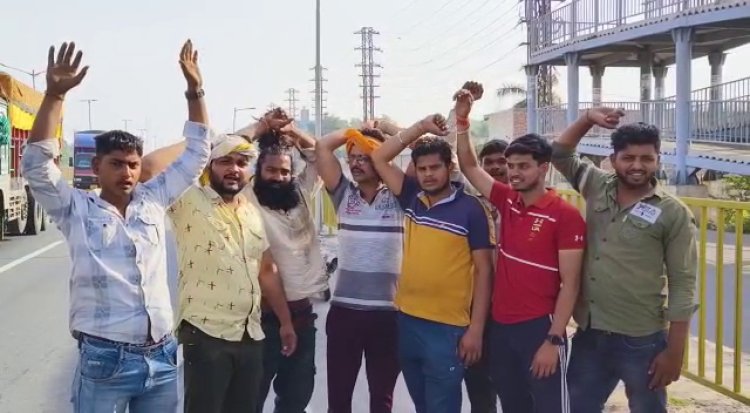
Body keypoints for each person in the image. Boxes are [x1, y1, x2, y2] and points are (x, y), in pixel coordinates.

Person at [22, 40, 211, 412]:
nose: (127, 172)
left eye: (133, 164)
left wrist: (195, 90)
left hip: (161, 357)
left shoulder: (154, 199)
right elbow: (36, 166)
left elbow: (197, 153)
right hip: (105, 359)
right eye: (117, 164)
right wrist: (55, 96)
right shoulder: (76, 208)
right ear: (97, 167)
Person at [139, 66, 296, 413]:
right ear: (209, 165)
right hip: (206, 335)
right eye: (224, 161)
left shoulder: (250, 212)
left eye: (241, 162)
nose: (233, 169)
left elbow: (266, 271)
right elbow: (149, 168)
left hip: (250, 335)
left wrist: (285, 323)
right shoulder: (188, 200)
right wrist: (209, 140)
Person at [551, 108, 698, 413]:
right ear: (613, 159)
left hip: (641, 339)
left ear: (658, 159)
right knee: (575, 407)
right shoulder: (596, 185)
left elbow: (683, 283)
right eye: (628, 158)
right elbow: (560, 153)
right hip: (590, 334)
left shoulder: (673, 213)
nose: (637, 166)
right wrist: (587, 119)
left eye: (646, 158)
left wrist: (675, 352)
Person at [454, 82, 585, 413]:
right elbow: (469, 166)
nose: (513, 173)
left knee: (549, 407)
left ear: (543, 168)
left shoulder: (565, 215)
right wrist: (462, 122)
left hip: (539, 328)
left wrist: (553, 340)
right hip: (501, 328)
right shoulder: (507, 200)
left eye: (522, 166)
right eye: (510, 166)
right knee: (513, 405)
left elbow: (571, 284)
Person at [370, 114, 495, 413]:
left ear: (449, 168)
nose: (428, 175)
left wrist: (476, 330)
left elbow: (484, 270)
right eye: (422, 169)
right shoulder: (411, 197)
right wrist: (421, 127)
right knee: (423, 405)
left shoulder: (471, 210)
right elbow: (379, 157)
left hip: (449, 328)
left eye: (435, 167)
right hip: (408, 321)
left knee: (442, 406)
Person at [242, 117, 328, 413]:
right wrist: (261, 128)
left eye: (284, 171)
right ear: (258, 170)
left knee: (296, 399)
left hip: (303, 317)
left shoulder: (300, 193)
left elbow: (319, 154)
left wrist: (292, 131)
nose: (278, 177)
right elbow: (223, 151)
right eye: (271, 170)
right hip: (261, 319)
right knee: (250, 399)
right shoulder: (246, 198)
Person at [315, 127, 402, 412]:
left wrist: (387, 129)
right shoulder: (344, 195)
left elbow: (423, 148)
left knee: (382, 400)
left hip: (388, 315)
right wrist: (355, 131)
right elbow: (323, 147)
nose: (355, 163)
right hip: (345, 314)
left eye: (365, 157)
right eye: (352, 157)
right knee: (339, 401)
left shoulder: (401, 196)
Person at [462, 138, 508, 413]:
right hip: (476, 307)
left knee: (516, 390)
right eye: (488, 162)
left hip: (514, 313)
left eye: (502, 161)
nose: (495, 167)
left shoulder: (524, 205)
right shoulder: (470, 205)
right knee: (480, 389)